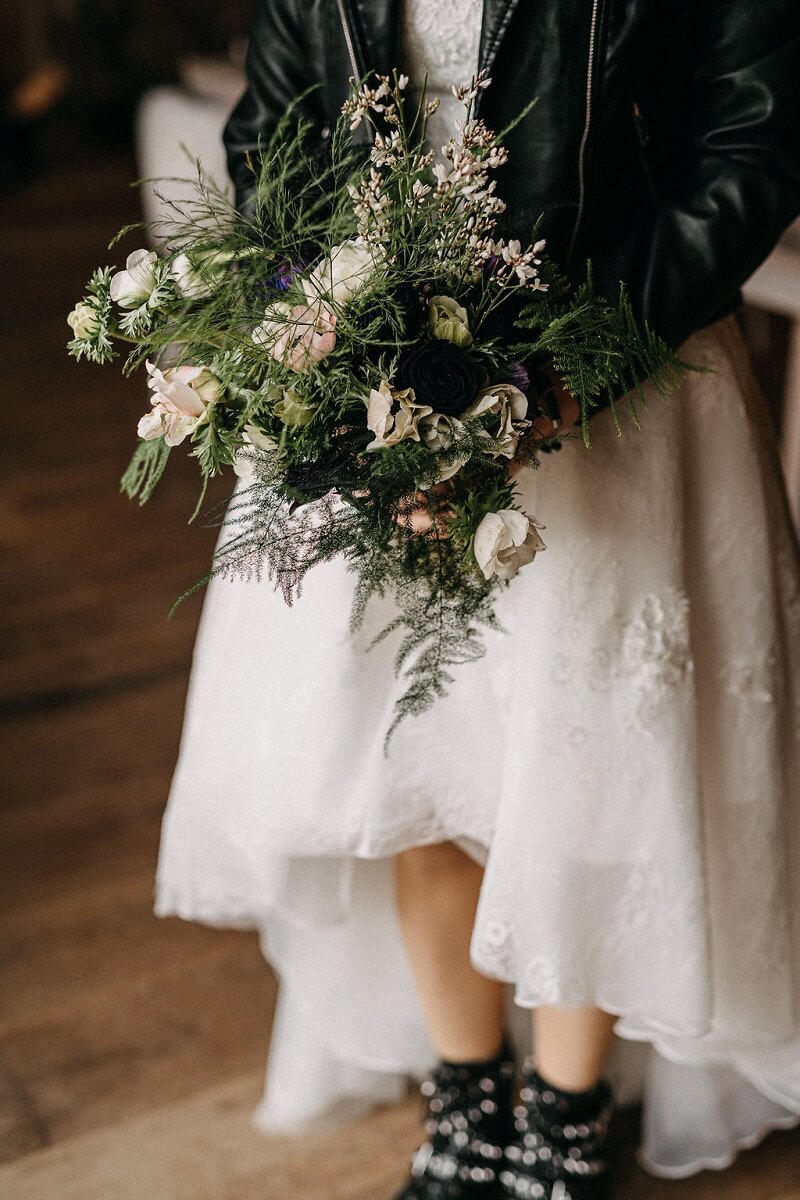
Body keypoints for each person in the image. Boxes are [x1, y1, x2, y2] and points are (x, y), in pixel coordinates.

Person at [155, 2, 800, 1197]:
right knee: (416, 763)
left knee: (591, 762)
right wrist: (341, 384)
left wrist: (566, 369)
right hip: (370, 389)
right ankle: (464, 1099)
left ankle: (564, 1114)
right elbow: (270, 140)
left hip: (617, 383)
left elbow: (750, 145)